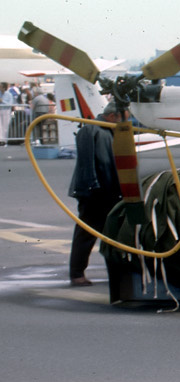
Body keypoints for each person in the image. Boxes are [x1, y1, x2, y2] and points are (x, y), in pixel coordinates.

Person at [68, 107, 128, 286]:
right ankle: (77, 273)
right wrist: (92, 188)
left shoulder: (106, 131)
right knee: (87, 233)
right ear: (111, 116)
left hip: (106, 191)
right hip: (95, 192)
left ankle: (116, 272)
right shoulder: (91, 130)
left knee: (109, 233)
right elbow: (90, 164)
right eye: (121, 119)